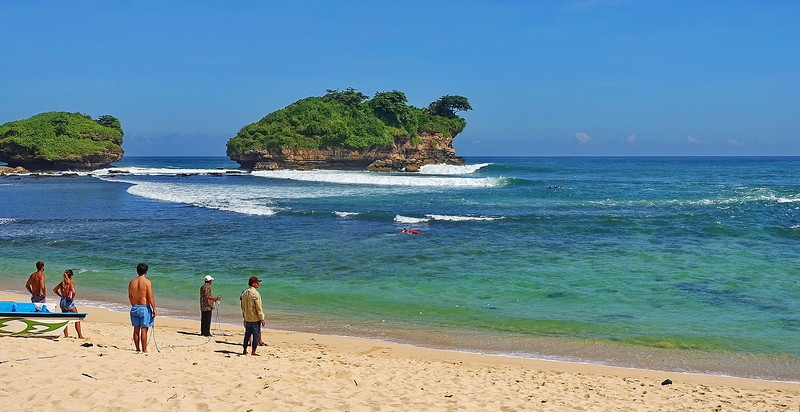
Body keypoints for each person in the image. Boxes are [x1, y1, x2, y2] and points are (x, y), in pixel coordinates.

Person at [128, 262, 156, 353]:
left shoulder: (132, 282)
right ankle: (144, 349)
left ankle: (137, 348)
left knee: (136, 329)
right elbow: (150, 296)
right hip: (144, 308)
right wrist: (154, 308)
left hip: (134, 307)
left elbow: (130, 296)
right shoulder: (147, 282)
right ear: (146, 271)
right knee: (144, 329)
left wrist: (133, 304)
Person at [52, 269, 85, 339]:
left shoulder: (62, 283)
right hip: (68, 301)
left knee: (65, 318)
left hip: (62, 301)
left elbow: (54, 290)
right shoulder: (70, 283)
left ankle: (66, 335)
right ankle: (80, 335)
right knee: (77, 318)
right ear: (71, 276)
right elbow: (73, 292)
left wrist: (60, 295)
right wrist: (72, 298)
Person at [240, 276, 265, 356]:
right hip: (255, 318)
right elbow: (258, 307)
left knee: (247, 335)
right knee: (255, 335)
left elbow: (242, 306)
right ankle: (253, 351)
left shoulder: (244, 293)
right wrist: (262, 318)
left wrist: (244, 315)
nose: (258, 284)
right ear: (253, 283)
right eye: (257, 282)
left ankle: (244, 350)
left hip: (247, 317)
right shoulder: (256, 293)